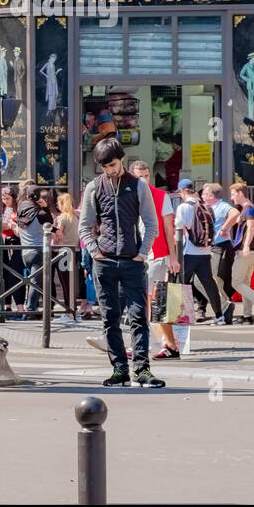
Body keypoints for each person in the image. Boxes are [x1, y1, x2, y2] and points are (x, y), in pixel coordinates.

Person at [78, 137, 163, 387]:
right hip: (104, 261)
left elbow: (151, 222)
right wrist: (95, 251)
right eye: (104, 167)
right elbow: (85, 225)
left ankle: (142, 369)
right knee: (110, 317)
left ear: (121, 159)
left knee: (138, 316)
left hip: (132, 260)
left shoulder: (138, 186)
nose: (110, 170)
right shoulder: (94, 187)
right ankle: (119, 369)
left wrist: (142, 252)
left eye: (112, 165)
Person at [130, 160, 181, 358]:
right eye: (139, 176)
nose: (143, 180)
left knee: (150, 302)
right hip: (135, 255)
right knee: (150, 303)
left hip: (156, 255)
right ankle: (168, 345)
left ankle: (144, 345)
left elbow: (169, 229)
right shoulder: (128, 195)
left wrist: (174, 258)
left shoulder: (161, 196)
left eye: (146, 176)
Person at [174, 178, 226, 325]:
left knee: (181, 284)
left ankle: (184, 316)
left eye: (180, 192)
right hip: (205, 252)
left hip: (188, 252)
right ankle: (219, 316)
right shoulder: (205, 205)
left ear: (183, 191)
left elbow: (179, 231)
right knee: (209, 284)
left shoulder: (183, 207)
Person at [225, 183, 254, 323]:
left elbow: (251, 228)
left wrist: (246, 246)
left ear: (240, 193)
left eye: (233, 194)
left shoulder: (248, 209)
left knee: (236, 282)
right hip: (252, 252)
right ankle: (247, 315)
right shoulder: (252, 209)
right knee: (245, 283)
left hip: (246, 252)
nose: (231, 198)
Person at [16, 183, 54, 318]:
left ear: (27, 196)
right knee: (35, 281)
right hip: (38, 250)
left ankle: (35, 308)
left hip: (24, 251)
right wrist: (45, 207)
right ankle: (30, 310)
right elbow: (50, 223)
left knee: (33, 280)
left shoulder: (20, 210)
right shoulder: (41, 213)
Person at [204, 182, 237, 321]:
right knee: (212, 279)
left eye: (205, 193)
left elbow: (235, 213)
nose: (202, 196)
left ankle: (225, 305)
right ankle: (224, 305)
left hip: (220, 246)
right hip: (212, 246)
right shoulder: (210, 207)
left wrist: (224, 228)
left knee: (212, 278)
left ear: (211, 195)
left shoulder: (222, 206)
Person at [51, 191, 79, 323]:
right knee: (70, 282)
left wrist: (50, 231)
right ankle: (74, 311)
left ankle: (69, 313)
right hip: (73, 251)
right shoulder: (75, 217)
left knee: (65, 282)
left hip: (62, 252)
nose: (57, 204)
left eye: (58, 202)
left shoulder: (62, 218)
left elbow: (59, 234)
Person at [0, 186, 25, 313]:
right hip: (4, 243)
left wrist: (12, 225)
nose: (5, 201)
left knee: (15, 275)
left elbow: (19, 229)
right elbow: (2, 225)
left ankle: (20, 307)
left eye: (7, 198)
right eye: (3, 199)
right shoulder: (4, 209)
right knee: (4, 275)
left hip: (16, 244)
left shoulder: (19, 209)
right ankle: (7, 305)